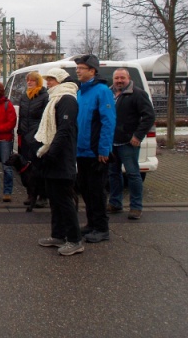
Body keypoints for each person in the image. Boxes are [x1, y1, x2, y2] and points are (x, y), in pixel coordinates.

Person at [35, 68, 83, 256]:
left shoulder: (68, 100)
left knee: (64, 200)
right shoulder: (54, 99)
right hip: (52, 155)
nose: (48, 83)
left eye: (52, 79)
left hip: (62, 158)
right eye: (47, 79)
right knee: (54, 199)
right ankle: (58, 235)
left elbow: (64, 130)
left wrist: (52, 153)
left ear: (61, 81)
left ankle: (75, 239)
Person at [74, 54, 116, 243]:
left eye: (81, 68)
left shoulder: (102, 91)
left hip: (95, 152)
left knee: (97, 191)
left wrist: (104, 149)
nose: (77, 71)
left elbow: (108, 121)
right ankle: (91, 223)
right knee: (85, 189)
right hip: (81, 150)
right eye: (77, 68)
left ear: (92, 71)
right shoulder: (81, 91)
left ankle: (101, 228)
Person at [107, 68, 156, 220]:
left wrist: (138, 135)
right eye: (116, 78)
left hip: (129, 142)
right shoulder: (108, 94)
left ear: (128, 78)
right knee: (113, 174)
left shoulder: (138, 94)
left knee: (133, 175)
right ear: (113, 79)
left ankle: (136, 207)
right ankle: (115, 203)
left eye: (122, 78)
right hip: (111, 142)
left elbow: (149, 116)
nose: (119, 81)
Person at [16, 71, 49, 208]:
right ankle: (31, 194)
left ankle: (43, 195)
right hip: (25, 136)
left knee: (39, 168)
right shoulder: (24, 97)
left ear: (38, 82)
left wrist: (39, 134)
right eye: (28, 80)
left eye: (32, 80)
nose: (29, 82)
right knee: (27, 169)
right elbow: (22, 116)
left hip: (37, 136)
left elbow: (45, 118)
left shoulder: (44, 96)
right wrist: (20, 132)